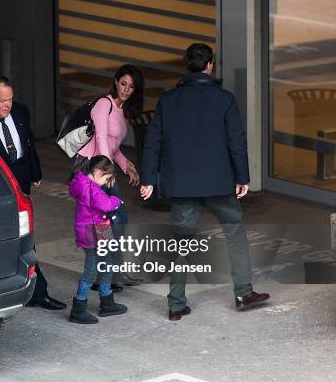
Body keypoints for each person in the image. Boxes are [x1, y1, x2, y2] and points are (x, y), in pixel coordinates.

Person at [140, 43, 270, 321]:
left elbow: (153, 142)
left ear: (186, 65)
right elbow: (236, 141)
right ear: (210, 65)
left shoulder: (168, 100)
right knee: (234, 233)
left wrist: (149, 178)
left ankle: (176, 304)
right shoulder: (224, 99)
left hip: (182, 185)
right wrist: (243, 177)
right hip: (219, 183)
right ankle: (243, 293)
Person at [0, 75, 66, 311]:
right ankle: (22, 289)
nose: (7, 106)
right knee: (8, 237)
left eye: (10, 99)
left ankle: (34, 290)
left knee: (23, 234)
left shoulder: (20, 111)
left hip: (20, 178)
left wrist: (35, 171)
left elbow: (27, 142)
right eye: (1, 101)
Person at [76, 64, 145, 291]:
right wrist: (108, 172)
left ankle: (107, 273)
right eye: (123, 84)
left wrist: (127, 167)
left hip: (103, 167)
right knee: (115, 217)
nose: (126, 89)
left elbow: (114, 147)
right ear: (115, 81)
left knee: (109, 221)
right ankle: (108, 273)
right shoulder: (103, 104)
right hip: (92, 169)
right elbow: (102, 138)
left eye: (131, 86)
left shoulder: (121, 110)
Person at [68, 156, 128, 324]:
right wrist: (118, 200)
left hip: (101, 228)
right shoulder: (90, 188)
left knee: (106, 263)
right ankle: (78, 309)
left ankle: (107, 300)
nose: (106, 182)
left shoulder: (84, 182)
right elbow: (107, 205)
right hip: (92, 232)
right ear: (96, 172)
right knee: (91, 270)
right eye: (106, 178)